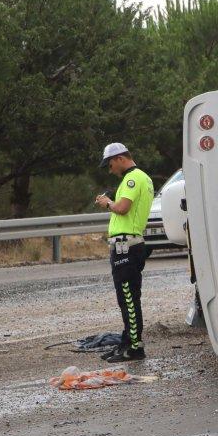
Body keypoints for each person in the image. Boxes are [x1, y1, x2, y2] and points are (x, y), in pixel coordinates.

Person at [94, 143, 154, 363]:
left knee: (128, 299)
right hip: (129, 246)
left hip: (126, 247)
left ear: (120, 158)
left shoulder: (132, 179)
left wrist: (107, 202)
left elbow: (122, 208)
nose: (110, 170)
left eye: (110, 165)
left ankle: (135, 348)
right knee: (128, 298)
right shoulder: (141, 178)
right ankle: (127, 342)